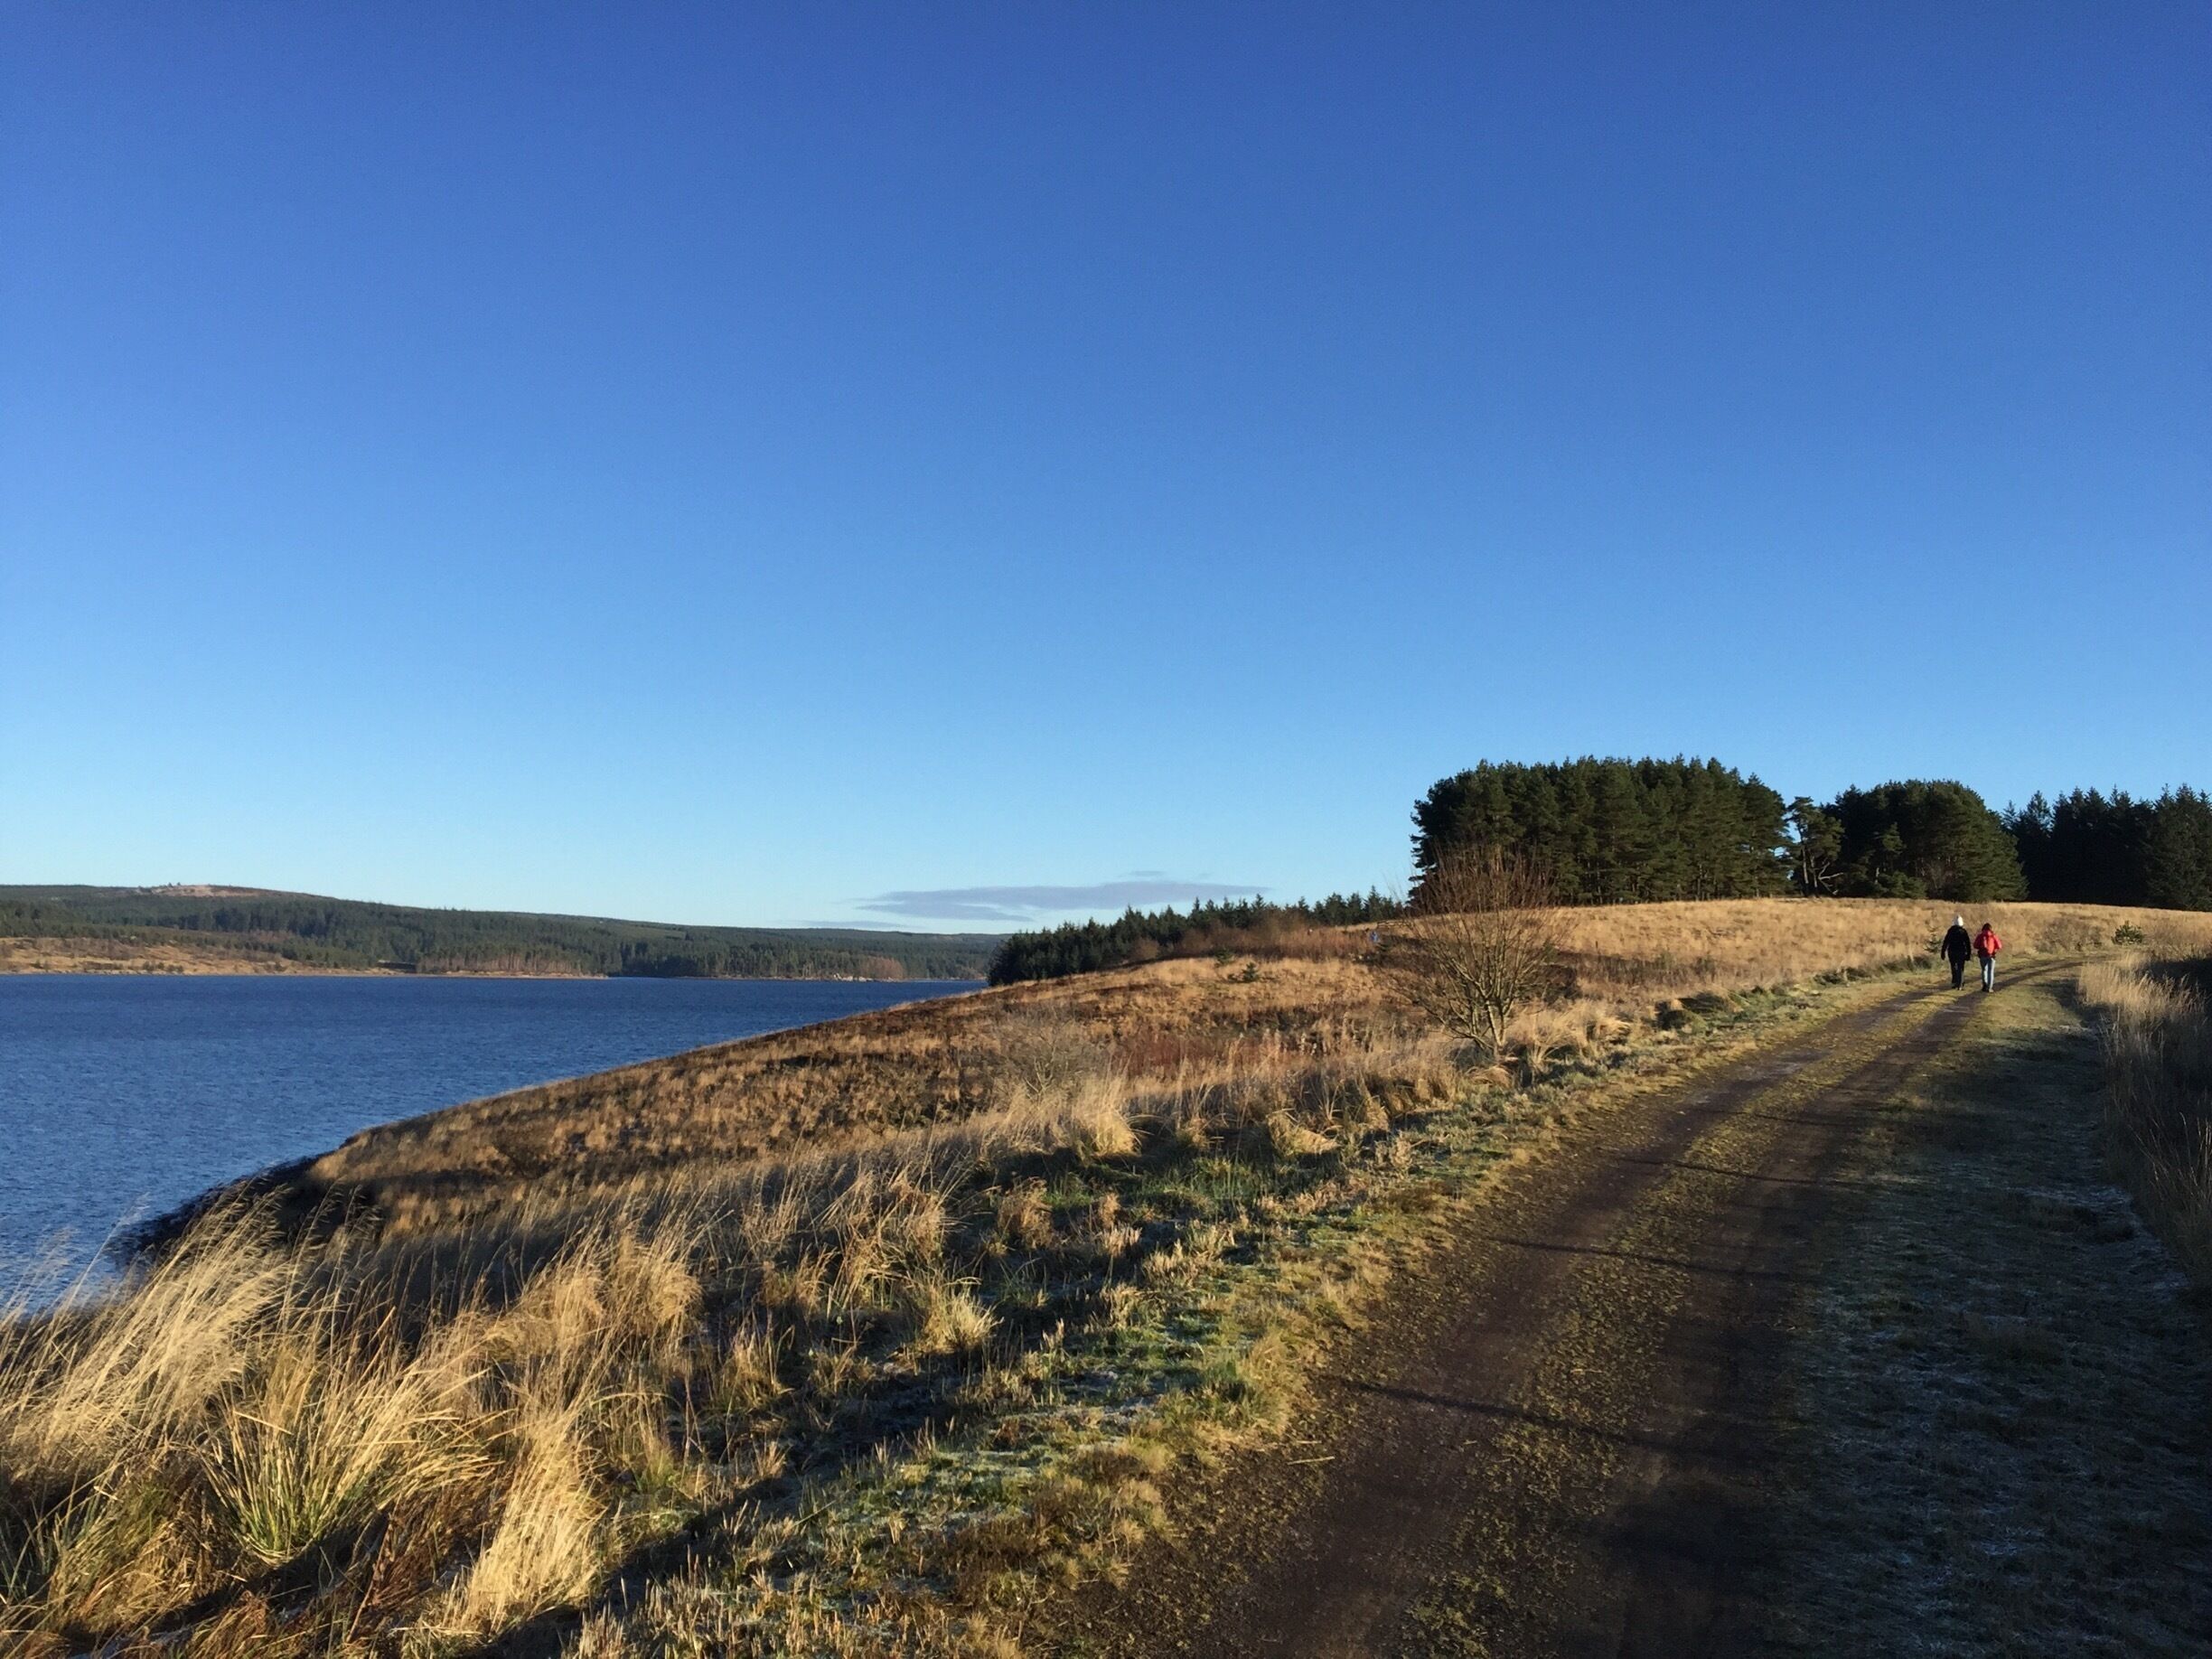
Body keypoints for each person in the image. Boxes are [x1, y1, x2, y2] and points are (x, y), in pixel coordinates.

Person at [1941, 914, 1973, 989]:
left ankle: (1955, 982)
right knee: (1960, 967)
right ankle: (1960, 984)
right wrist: (1968, 953)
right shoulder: (1963, 931)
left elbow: (1946, 942)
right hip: (1961, 952)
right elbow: (1967, 943)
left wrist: (1943, 952)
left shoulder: (1950, 931)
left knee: (1954, 967)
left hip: (1952, 952)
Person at [1974, 921, 2002, 992]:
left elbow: (1975, 945)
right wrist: (1994, 948)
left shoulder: (1980, 936)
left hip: (1982, 955)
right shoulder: (1993, 936)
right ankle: (1989, 988)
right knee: (1991, 972)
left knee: (1984, 970)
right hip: (1991, 955)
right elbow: (1999, 946)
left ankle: (1985, 985)